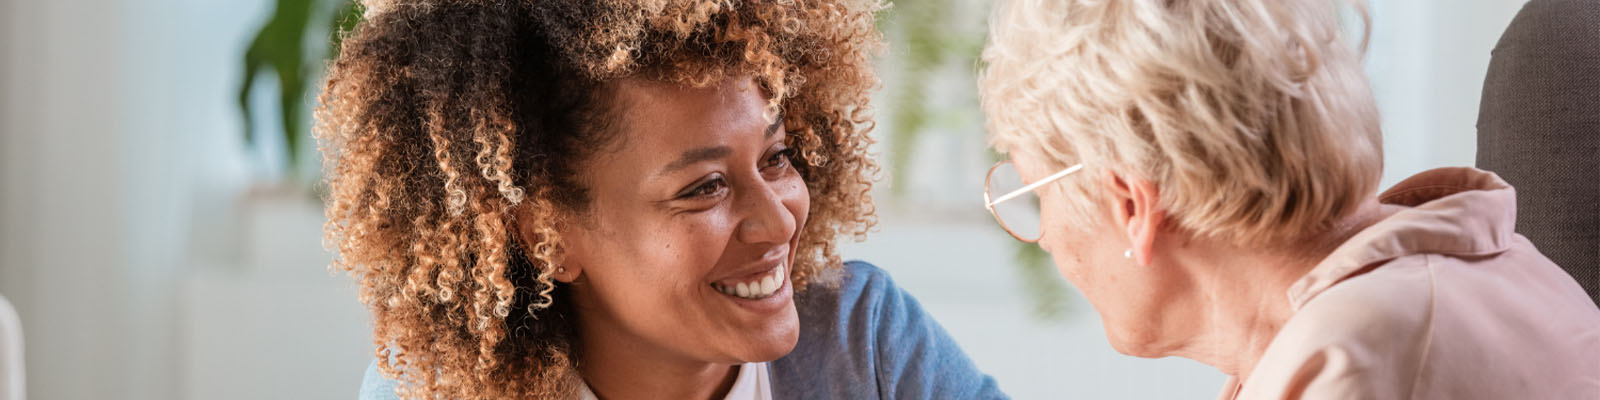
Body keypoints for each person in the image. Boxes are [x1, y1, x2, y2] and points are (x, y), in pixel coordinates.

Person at [317, 0, 1005, 399]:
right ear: (547, 236)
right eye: (704, 188)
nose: (776, 220)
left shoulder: (861, 348)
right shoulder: (439, 392)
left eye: (777, 157)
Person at [976, 0, 1600, 398]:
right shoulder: (1483, 273)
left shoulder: (1359, 363)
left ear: (1132, 206)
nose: (1049, 236)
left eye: (1038, 197)